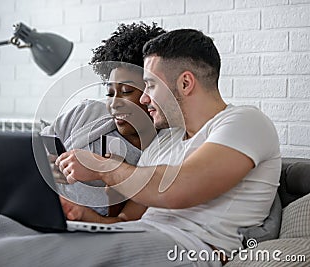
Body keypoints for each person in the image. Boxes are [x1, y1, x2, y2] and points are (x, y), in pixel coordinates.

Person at [56, 29, 281, 264]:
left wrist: (105, 168)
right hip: (140, 237)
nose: (144, 98)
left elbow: (180, 188)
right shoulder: (164, 141)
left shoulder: (246, 122)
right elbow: (126, 221)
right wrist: (83, 216)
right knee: (20, 233)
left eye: (151, 86)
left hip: (189, 248)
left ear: (185, 83)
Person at [41, 22, 165, 222]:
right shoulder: (87, 113)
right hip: (34, 199)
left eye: (126, 92)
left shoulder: (163, 153)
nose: (114, 104)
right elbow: (36, 149)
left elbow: (124, 221)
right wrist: (46, 165)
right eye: (109, 93)